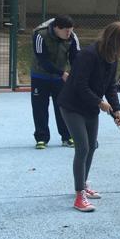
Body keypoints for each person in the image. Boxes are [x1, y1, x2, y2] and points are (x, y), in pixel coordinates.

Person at [57, 21, 120, 212]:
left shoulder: (112, 58)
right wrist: (100, 103)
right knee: (82, 148)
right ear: (114, 41)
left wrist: (117, 110)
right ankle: (79, 195)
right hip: (72, 105)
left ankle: (83, 184)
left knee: (92, 147)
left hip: (90, 108)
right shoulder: (87, 55)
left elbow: (110, 86)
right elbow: (80, 85)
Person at [30, 14, 80, 149]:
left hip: (60, 79)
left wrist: (77, 74)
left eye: (71, 30)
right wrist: (62, 73)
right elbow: (42, 60)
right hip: (40, 77)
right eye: (66, 30)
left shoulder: (72, 37)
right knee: (40, 108)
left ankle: (67, 137)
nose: (69, 33)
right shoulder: (40, 36)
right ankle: (41, 138)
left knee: (63, 107)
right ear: (57, 28)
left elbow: (75, 58)